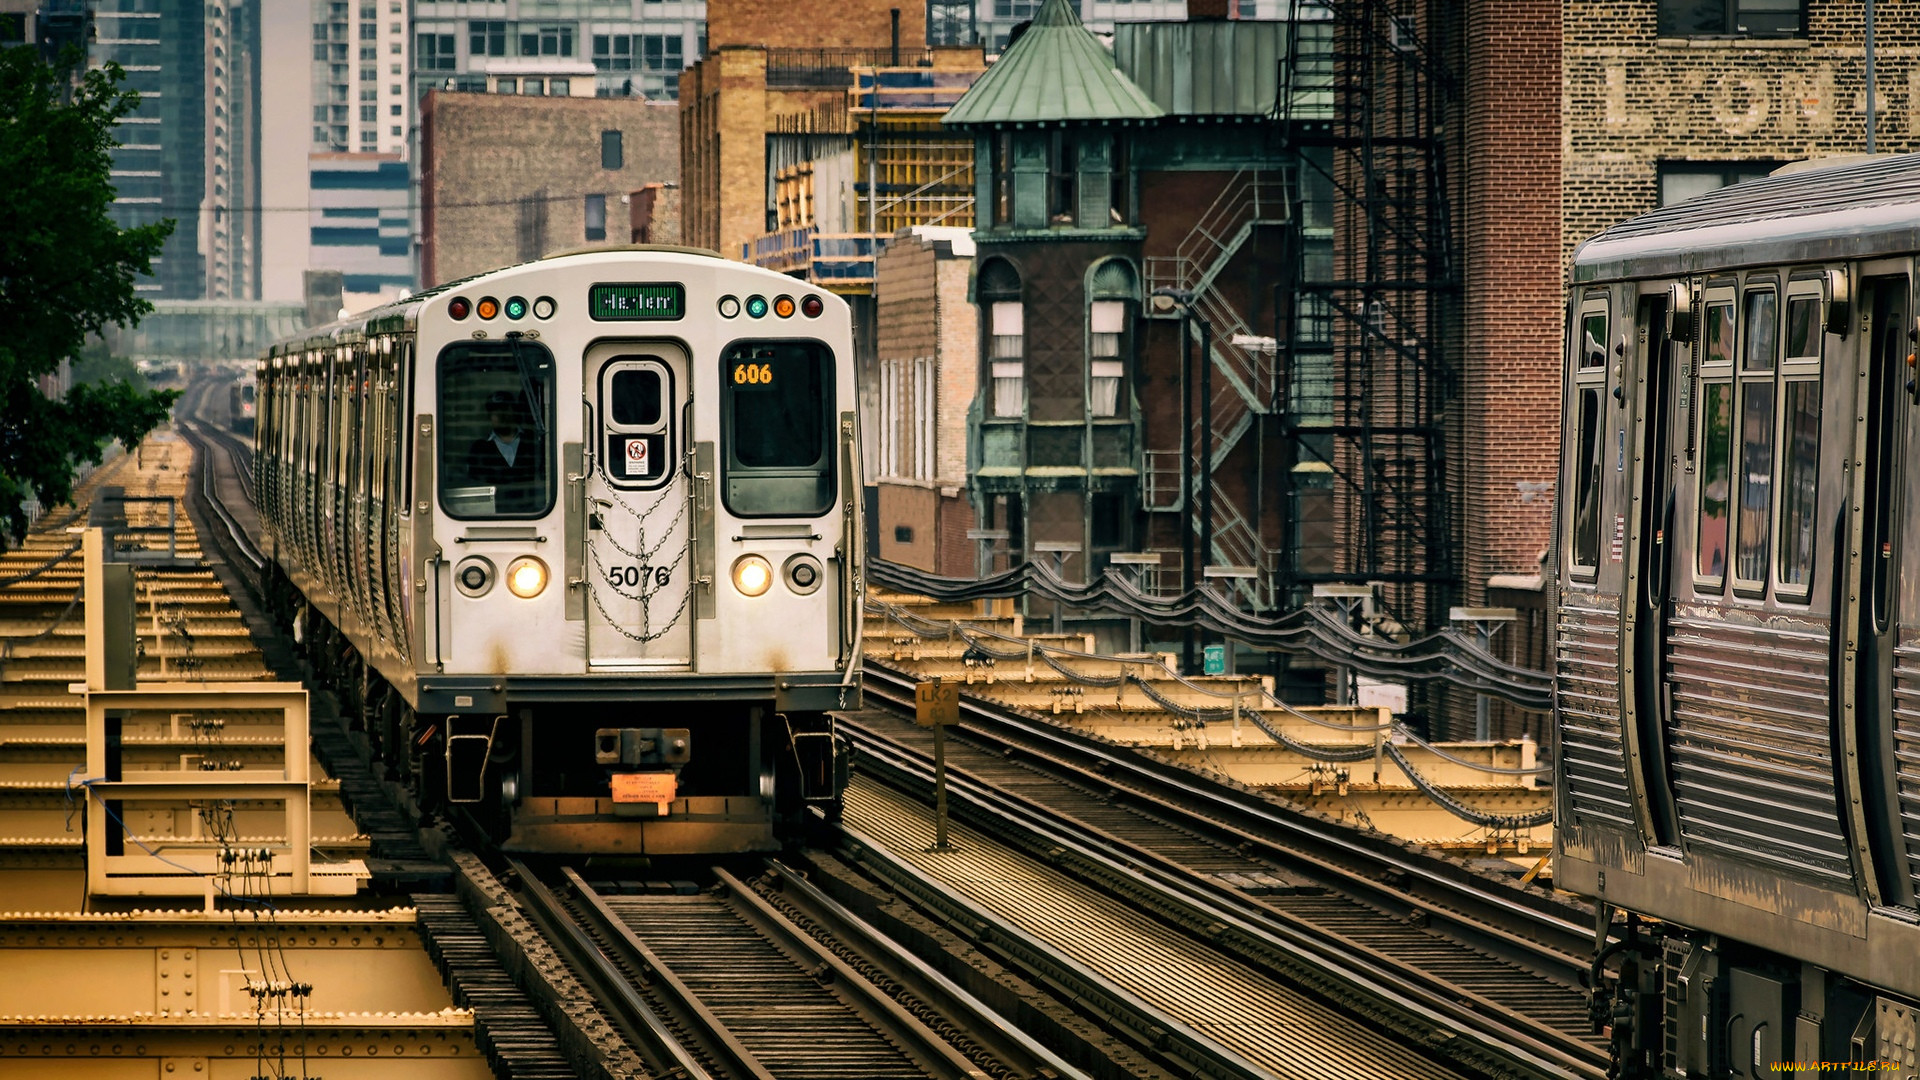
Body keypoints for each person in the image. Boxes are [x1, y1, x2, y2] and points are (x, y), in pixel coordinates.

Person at [466, 390, 545, 512]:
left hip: (532, 514)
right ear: (489, 416)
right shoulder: (479, 449)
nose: (501, 415)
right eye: (495, 411)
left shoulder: (532, 442)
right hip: (493, 516)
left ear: (514, 411)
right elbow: (475, 488)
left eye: (505, 409)